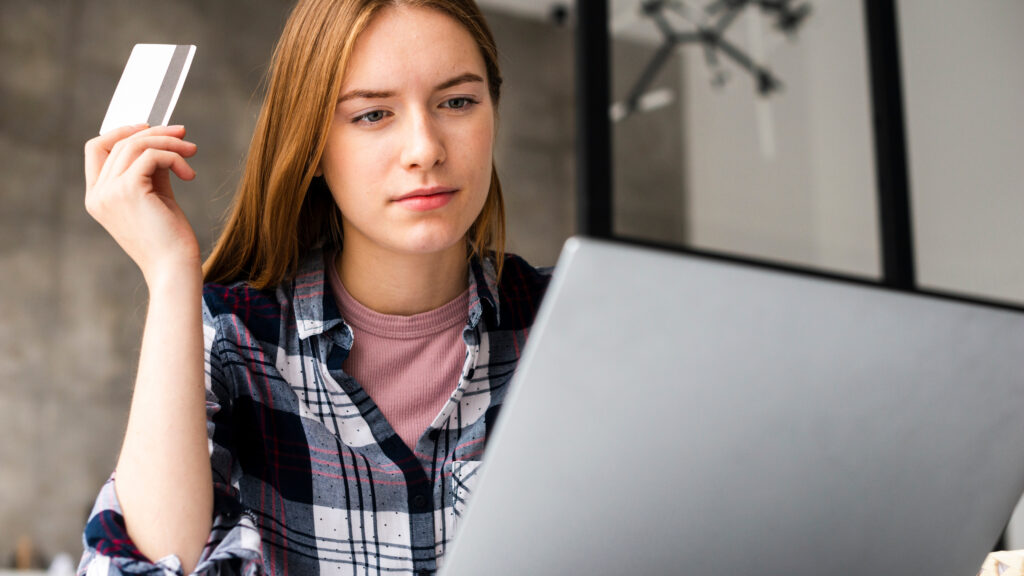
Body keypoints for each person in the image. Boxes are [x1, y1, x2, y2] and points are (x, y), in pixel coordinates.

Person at [77, 1, 550, 574]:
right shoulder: (232, 336)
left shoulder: (568, 326)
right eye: (372, 115)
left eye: (457, 102)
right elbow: (144, 568)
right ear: (315, 148)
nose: (425, 149)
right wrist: (172, 272)